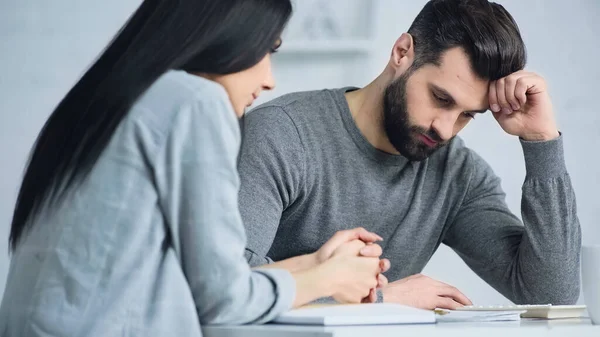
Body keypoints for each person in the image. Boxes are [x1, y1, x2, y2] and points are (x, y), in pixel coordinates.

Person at [0, 1, 389, 336]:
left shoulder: (103, 100)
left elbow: (196, 280)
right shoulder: (194, 102)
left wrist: (313, 265)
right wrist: (326, 279)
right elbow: (222, 301)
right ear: (227, 34)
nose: (269, 80)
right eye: (267, 50)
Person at [238, 0, 581, 310]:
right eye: (441, 99)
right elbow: (227, 289)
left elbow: (552, 294)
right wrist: (380, 303)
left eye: (467, 115)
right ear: (402, 52)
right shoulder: (282, 135)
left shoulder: (457, 174)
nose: (446, 129)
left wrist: (542, 141)